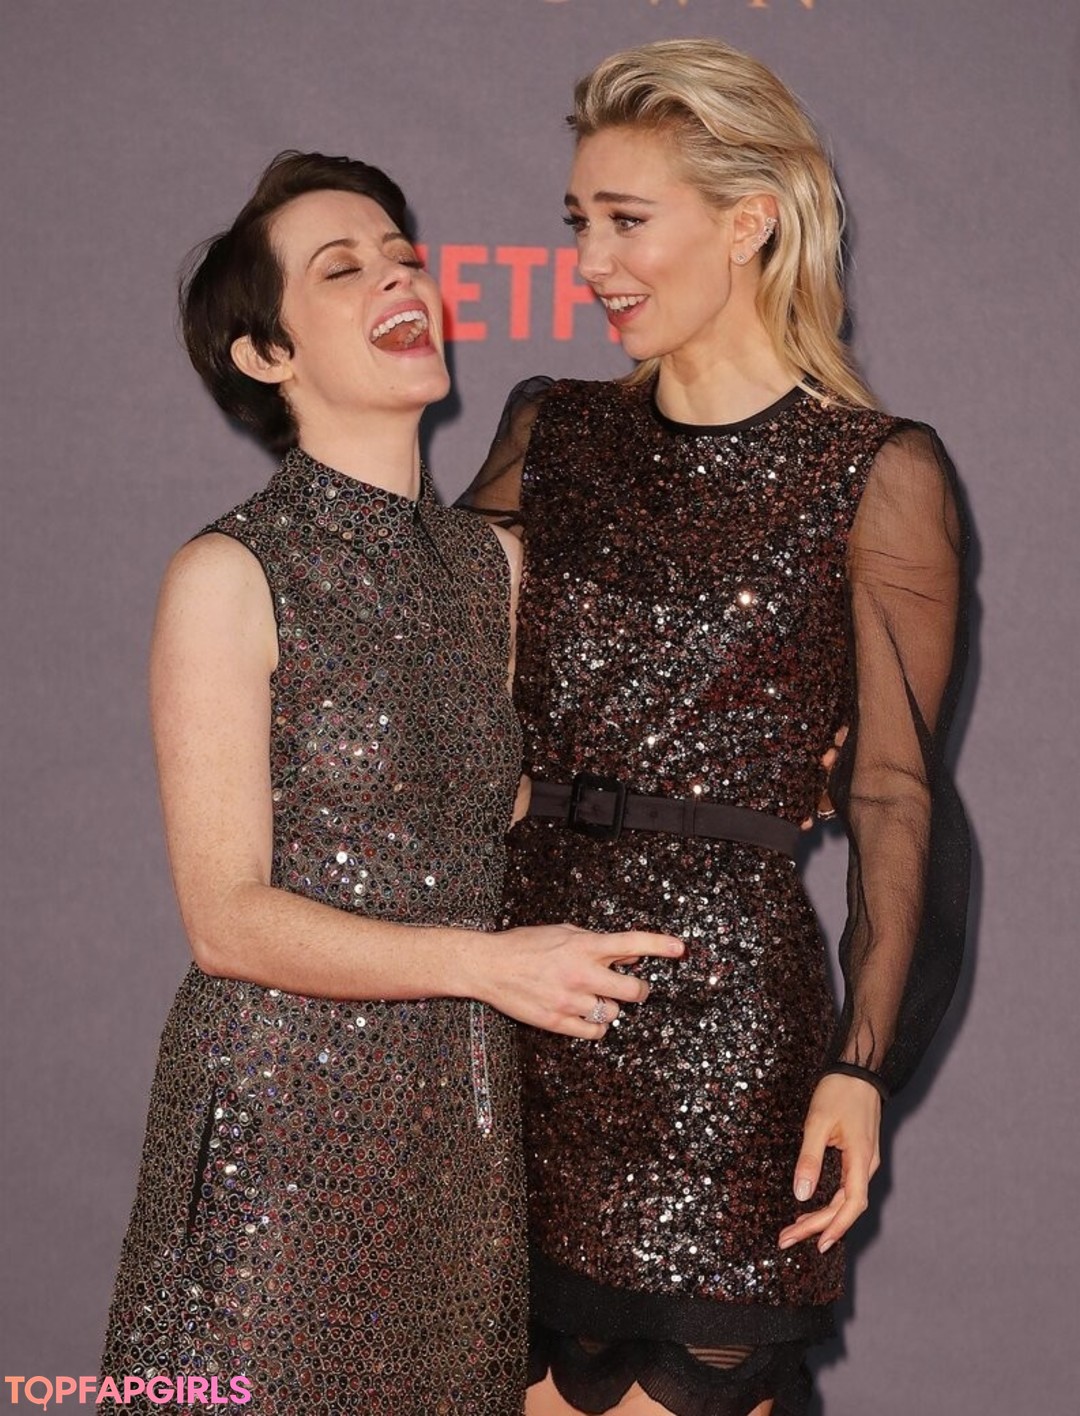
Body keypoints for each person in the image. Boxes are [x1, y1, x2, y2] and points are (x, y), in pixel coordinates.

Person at [100, 150, 684, 1416]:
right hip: (278, 1141)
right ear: (267, 354)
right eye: (342, 269)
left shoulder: (493, 568)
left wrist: (767, 765)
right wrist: (488, 965)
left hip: (457, 1142)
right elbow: (225, 919)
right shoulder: (228, 576)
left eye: (404, 256)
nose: (397, 279)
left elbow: (514, 807)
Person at [461, 40, 970, 1416]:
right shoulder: (551, 433)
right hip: (517, 1013)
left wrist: (862, 1068)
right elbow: (429, 682)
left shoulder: (873, 470)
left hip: (721, 1036)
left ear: (750, 221)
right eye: (580, 222)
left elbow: (895, 794)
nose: (591, 261)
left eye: (627, 219)